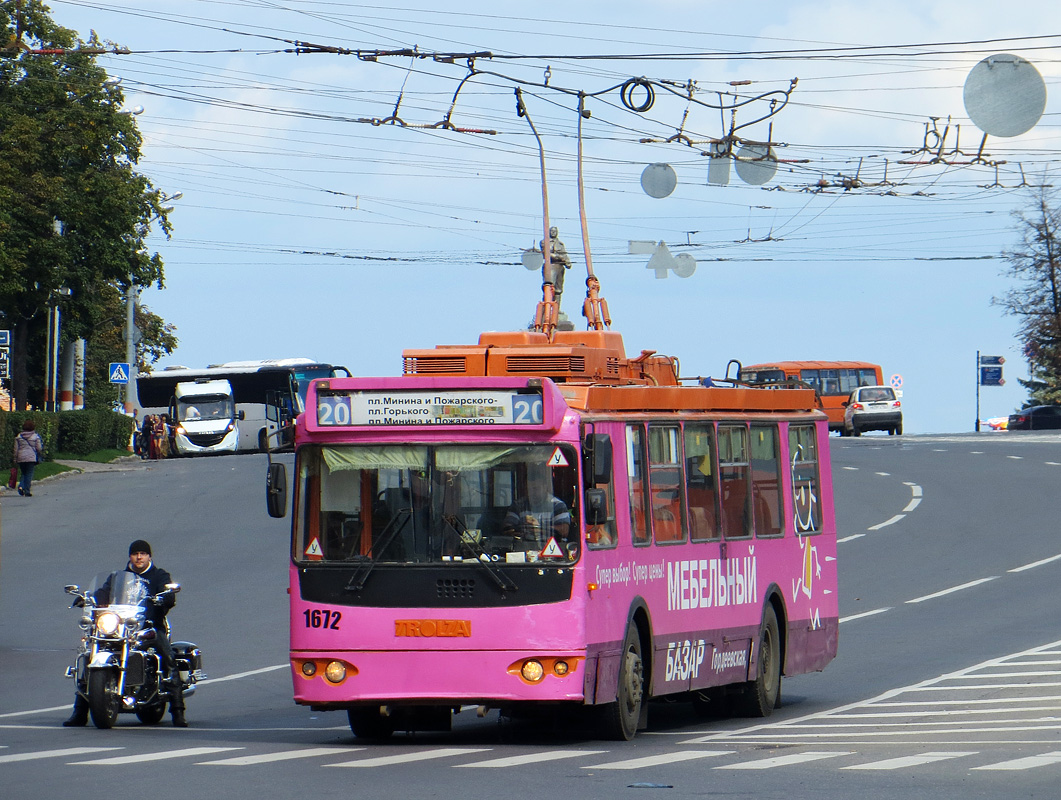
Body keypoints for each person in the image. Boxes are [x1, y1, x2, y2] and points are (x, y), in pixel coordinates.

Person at [64, 540, 187, 728]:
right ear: (130, 556)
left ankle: (178, 710)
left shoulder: (159, 576)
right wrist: (88, 600)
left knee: (167, 656)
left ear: (149, 556)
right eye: (135, 553)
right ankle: (80, 712)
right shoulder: (118, 577)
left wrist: (164, 597)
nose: (139, 557)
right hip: (119, 628)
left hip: (149, 626)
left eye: (143, 554)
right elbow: (103, 593)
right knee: (89, 658)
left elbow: (169, 596)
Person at [13, 419, 43, 497]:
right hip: (31, 457)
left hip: (21, 457)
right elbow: (39, 448)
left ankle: (21, 486)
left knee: (23, 473)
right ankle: (27, 490)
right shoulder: (35, 436)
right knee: (29, 473)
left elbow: (16, 449)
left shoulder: (19, 436)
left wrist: (15, 458)